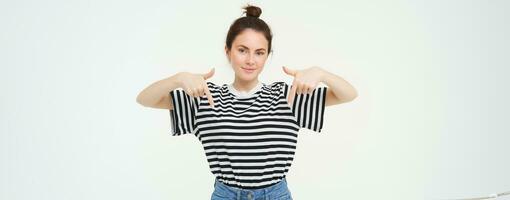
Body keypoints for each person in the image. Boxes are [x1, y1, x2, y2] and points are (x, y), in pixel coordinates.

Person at [136, 4, 358, 200]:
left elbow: (348, 94)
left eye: (259, 53)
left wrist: (321, 74)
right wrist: (178, 78)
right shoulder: (205, 97)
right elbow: (145, 99)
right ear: (228, 51)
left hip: (275, 195)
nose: (251, 60)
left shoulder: (286, 96)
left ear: (267, 55)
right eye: (242, 50)